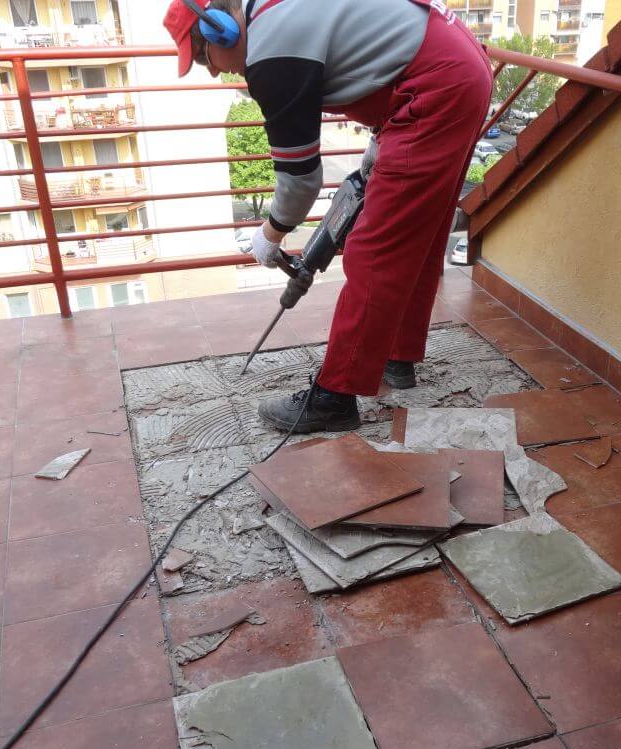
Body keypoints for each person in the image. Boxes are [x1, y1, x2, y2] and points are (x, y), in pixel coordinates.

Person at [165, 0, 493, 432]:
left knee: (374, 250)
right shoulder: (272, 13)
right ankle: (396, 356)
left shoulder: (270, 53)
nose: (212, 72)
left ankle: (335, 396)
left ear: (220, 29)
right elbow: (369, 50)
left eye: (204, 58)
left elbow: (301, 181)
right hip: (454, 69)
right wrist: (381, 134)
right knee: (419, 232)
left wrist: (271, 233)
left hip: (435, 88)